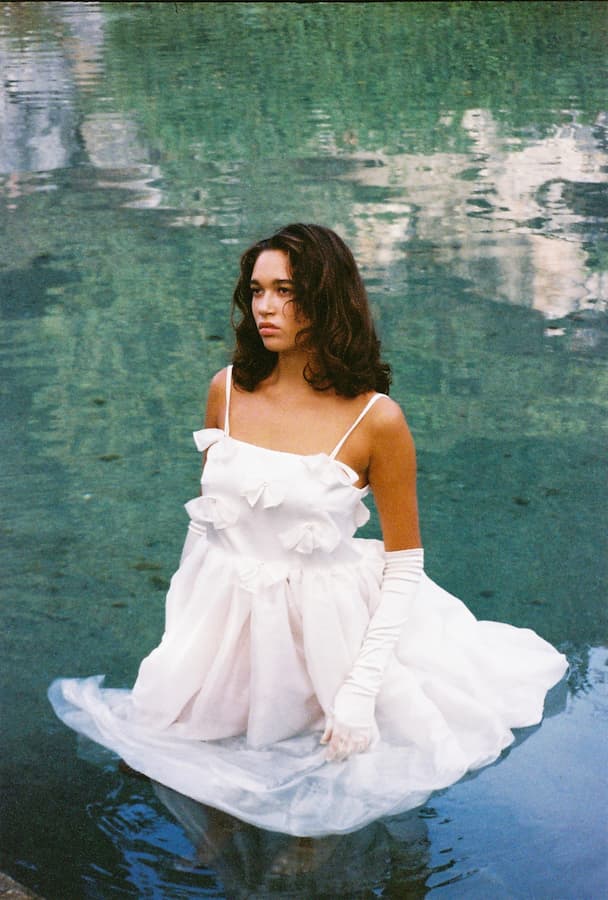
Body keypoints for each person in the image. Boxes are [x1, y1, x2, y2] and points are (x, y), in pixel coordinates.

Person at [49, 223, 568, 837]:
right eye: (257, 290)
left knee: (327, 802)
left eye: (286, 291)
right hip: (227, 626)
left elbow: (403, 563)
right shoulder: (228, 390)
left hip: (327, 630)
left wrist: (359, 689)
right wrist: (182, 646)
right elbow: (212, 535)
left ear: (326, 300)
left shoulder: (378, 420)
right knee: (187, 767)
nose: (265, 307)